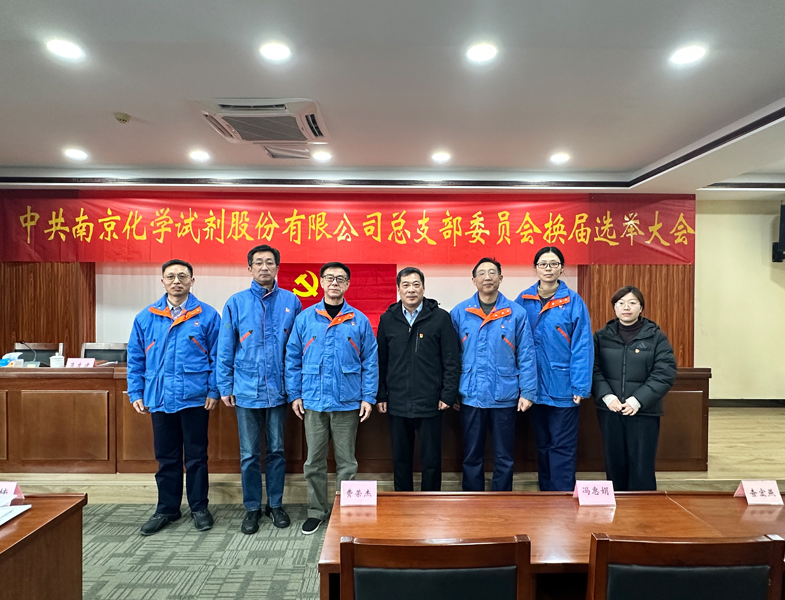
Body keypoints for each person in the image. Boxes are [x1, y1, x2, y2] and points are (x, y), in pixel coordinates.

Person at [127, 259, 221, 535]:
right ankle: (167, 508)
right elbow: (135, 358)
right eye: (171, 276)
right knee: (166, 457)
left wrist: (213, 389)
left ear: (192, 281)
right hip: (159, 396)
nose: (176, 281)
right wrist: (136, 391)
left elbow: (218, 357)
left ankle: (199, 508)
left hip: (195, 397)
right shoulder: (147, 316)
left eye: (182, 276)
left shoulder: (207, 315)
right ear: (162, 282)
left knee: (196, 457)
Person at [285, 262, 379, 535]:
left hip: (347, 402)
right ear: (321, 283)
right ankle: (316, 511)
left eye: (340, 279)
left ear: (347, 284)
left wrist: (368, 397)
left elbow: (370, 361)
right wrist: (295, 394)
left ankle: (344, 513)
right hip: (313, 402)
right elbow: (292, 359)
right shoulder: (305, 318)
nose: (334, 283)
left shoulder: (359, 320)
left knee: (347, 462)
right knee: (313, 462)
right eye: (329, 278)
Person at [217, 244, 302, 533]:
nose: (264, 267)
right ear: (249, 268)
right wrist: (225, 385)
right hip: (245, 389)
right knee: (249, 454)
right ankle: (252, 508)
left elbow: (297, 350)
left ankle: (275, 504)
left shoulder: (291, 301)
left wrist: (295, 389)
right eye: (258, 263)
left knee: (277, 450)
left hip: (279, 390)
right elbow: (225, 347)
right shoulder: (236, 302)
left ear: (278, 267)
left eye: (269, 262)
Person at [450, 257, 537, 491]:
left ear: (500, 278)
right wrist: (451, 392)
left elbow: (527, 354)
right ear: (473, 280)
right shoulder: (459, 312)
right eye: (481, 273)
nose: (487, 277)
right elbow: (451, 357)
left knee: (504, 456)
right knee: (471, 454)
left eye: (492, 272)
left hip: (505, 395)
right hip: (470, 395)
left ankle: (502, 500)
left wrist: (528, 392)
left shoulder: (516, 313)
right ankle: (472, 498)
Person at [515, 247, 593, 491]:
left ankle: (562, 497)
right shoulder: (523, 300)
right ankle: (546, 494)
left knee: (562, 446)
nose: (548, 268)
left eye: (553, 263)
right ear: (535, 268)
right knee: (543, 444)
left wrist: (580, 385)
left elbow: (582, 345)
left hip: (564, 387)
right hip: (533, 387)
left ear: (562, 268)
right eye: (543, 264)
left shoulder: (573, 302)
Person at [376, 267, 460, 491]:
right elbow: (381, 361)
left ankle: (430, 503)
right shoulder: (388, 319)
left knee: (431, 460)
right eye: (406, 285)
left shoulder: (440, 318)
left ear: (423, 288)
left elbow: (451, 360)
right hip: (397, 401)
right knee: (400, 459)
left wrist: (447, 395)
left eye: (416, 285)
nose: (411, 290)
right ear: (398, 289)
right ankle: (403, 503)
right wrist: (381, 395)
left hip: (430, 401)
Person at [592, 285, 677, 491]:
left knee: (642, 465)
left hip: (644, 411)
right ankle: (615, 506)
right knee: (614, 463)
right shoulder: (601, 337)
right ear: (614, 307)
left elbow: (664, 372)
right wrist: (607, 396)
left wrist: (637, 400)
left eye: (632, 303)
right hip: (610, 410)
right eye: (621, 303)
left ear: (641, 307)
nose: (626, 307)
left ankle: (642, 508)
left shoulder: (656, 337)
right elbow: (592, 369)